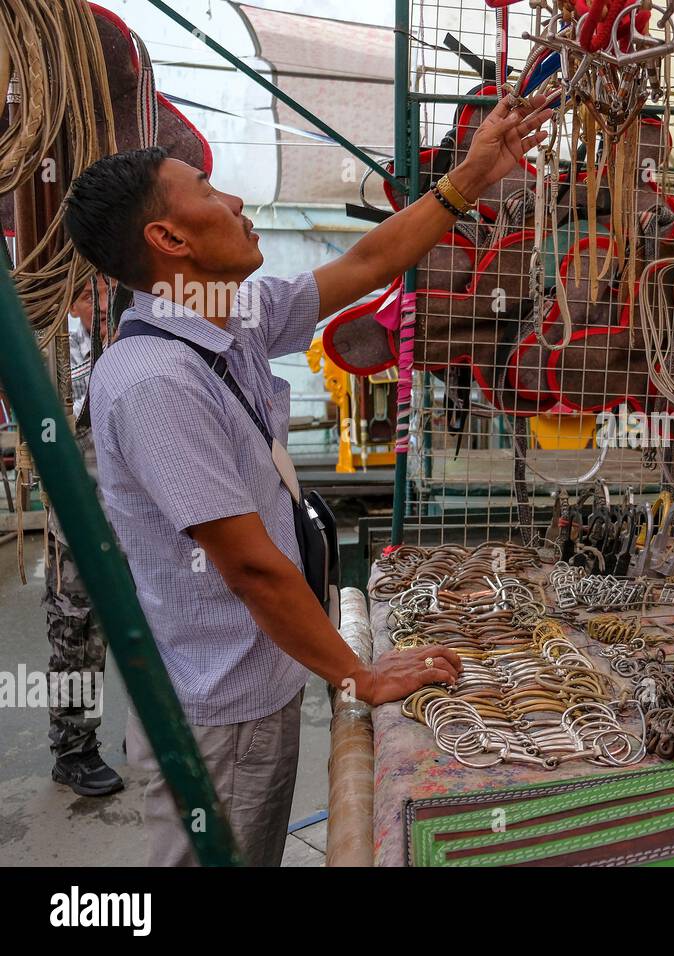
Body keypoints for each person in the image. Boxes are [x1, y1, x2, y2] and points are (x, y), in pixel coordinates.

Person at [62, 92, 552, 865]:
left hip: (263, 677)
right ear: (169, 238)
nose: (234, 200)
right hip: (217, 709)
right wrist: (357, 673)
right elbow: (252, 566)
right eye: (207, 192)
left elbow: (370, 261)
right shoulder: (155, 378)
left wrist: (472, 175)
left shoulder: (231, 318)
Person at [46, 276, 124, 797]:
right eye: (89, 296)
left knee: (164, 623)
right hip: (79, 505)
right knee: (77, 630)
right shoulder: (54, 340)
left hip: (135, 502)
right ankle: (73, 749)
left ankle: (150, 732)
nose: (97, 306)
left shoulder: (135, 313)